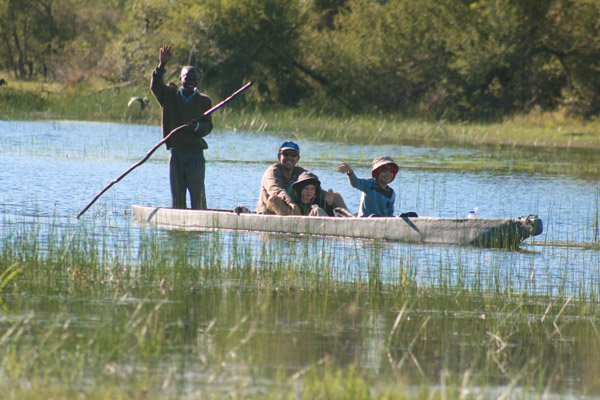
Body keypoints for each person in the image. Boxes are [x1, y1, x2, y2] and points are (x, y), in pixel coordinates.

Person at [151, 44, 213, 209]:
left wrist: (196, 126)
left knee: (198, 202)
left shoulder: (204, 101)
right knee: (177, 202)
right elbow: (155, 87)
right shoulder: (169, 95)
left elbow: (207, 127)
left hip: (195, 157)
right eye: (187, 78)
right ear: (180, 79)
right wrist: (161, 65)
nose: (191, 82)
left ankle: (199, 230)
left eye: (194, 79)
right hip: (176, 155)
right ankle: (179, 232)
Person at [257, 141, 347, 215]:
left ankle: (351, 219)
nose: (289, 157)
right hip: (271, 212)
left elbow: (315, 188)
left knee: (336, 195)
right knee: (273, 199)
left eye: (293, 155)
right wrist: (291, 202)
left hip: (295, 210)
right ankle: (296, 224)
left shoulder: (300, 172)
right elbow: (276, 190)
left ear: (298, 158)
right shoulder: (273, 171)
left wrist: (329, 198)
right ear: (279, 156)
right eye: (286, 154)